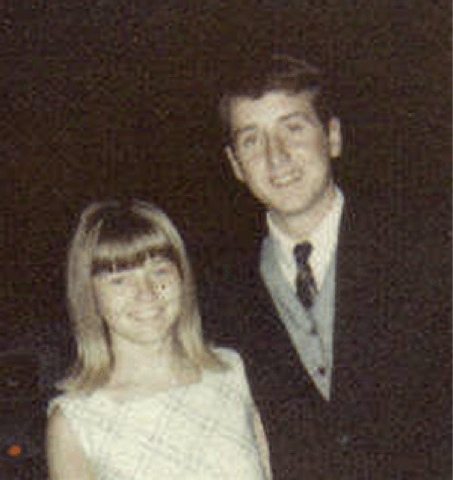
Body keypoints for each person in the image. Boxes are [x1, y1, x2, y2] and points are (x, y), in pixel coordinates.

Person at [200, 54, 451, 479]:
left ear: (332, 137)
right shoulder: (219, 298)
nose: (276, 157)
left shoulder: (431, 249)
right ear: (235, 165)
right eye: (252, 140)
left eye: (293, 128)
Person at [46, 199, 271, 480]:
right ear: (90, 295)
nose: (147, 292)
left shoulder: (231, 372)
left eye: (160, 270)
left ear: (182, 276)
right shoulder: (77, 421)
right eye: (119, 280)